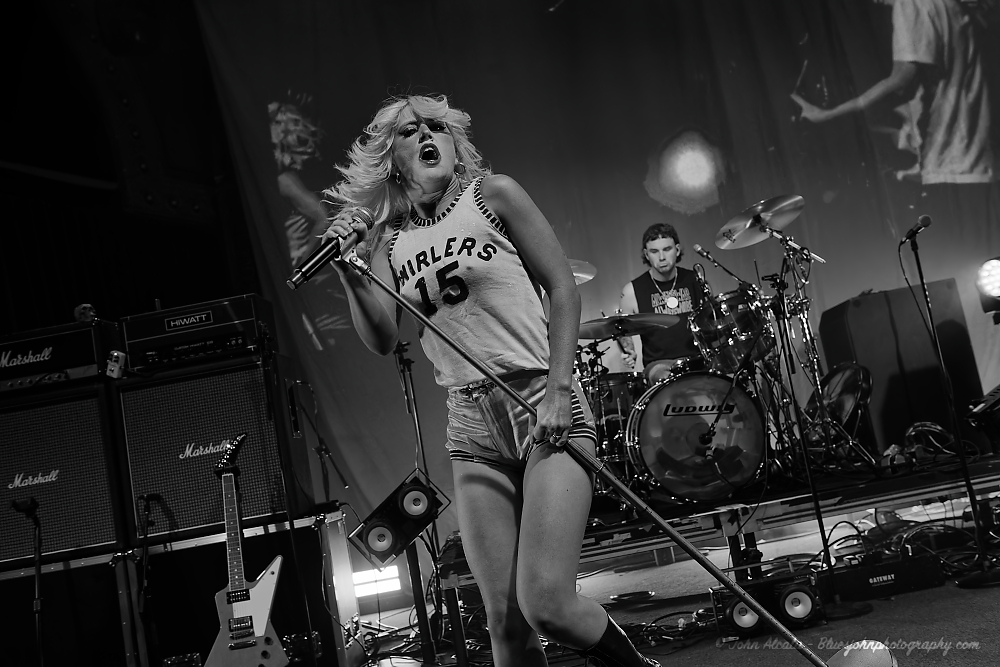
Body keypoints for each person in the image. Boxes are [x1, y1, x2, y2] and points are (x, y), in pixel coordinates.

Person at [321, 94, 658, 667]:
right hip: (471, 425)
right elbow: (381, 338)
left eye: (436, 126)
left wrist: (557, 389)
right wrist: (347, 269)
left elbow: (563, 288)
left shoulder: (492, 194)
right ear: (393, 158)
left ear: (454, 140)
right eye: (409, 131)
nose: (427, 134)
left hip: (537, 398)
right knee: (503, 621)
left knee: (546, 603)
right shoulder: (388, 240)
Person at [791, 0, 994, 185]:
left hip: (951, 166)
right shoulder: (951, 5)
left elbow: (902, 80)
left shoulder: (911, 4)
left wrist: (831, 114)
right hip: (979, 162)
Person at [618, 223, 705, 384]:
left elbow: (711, 320)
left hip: (697, 358)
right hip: (658, 365)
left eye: (667, 249)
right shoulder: (632, 290)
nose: (662, 257)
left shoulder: (695, 280)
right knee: (667, 380)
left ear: (677, 250)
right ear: (646, 254)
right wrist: (630, 351)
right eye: (654, 251)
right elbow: (623, 329)